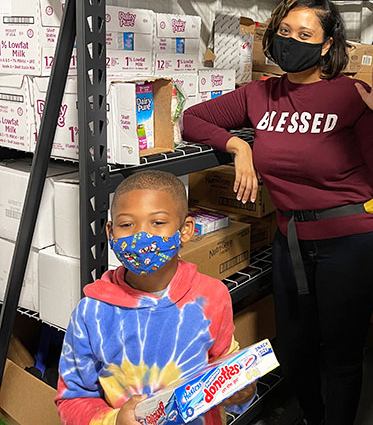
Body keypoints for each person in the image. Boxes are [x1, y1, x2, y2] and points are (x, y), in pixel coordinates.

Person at [183, 0, 373, 425]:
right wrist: (237, 145)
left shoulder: (351, 95)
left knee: (341, 352)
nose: (291, 40)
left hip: (353, 241)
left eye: (305, 34)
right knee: (291, 346)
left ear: (327, 45)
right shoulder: (260, 95)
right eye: (284, 30)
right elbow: (193, 118)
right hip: (291, 242)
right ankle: (311, 415)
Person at [55, 171, 255, 425]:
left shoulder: (212, 295)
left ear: (185, 230)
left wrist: (242, 390)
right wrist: (114, 421)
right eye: (127, 224)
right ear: (111, 232)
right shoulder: (91, 312)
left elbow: (225, 365)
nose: (142, 237)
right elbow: (72, 399)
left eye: (158, 223)